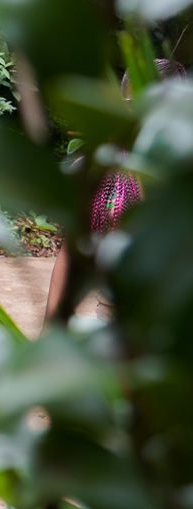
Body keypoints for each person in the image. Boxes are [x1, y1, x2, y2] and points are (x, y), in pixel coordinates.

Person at [45, 59, 187, 322]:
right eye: (136, 105)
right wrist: (51, 328)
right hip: (115, 321)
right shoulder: (98, 170)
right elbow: (69, 256)